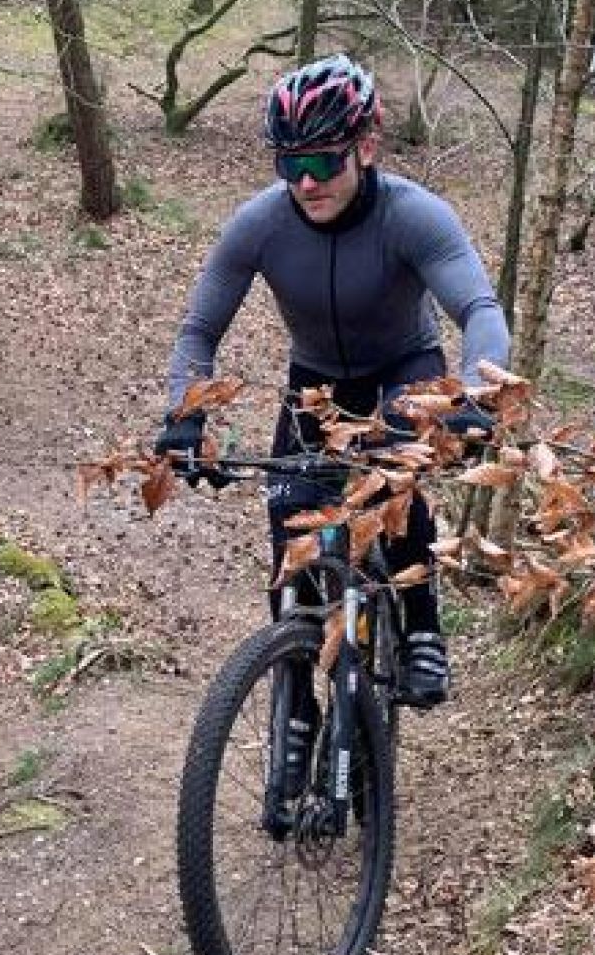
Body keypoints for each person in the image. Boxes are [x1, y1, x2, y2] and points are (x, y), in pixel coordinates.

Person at [154, 53, 510, 718]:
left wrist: (475, 399)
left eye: (324, 162)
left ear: (367, 147)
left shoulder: (415, 216)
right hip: (314, 385)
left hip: (405, 369)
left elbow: (481, 312)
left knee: (397, 485)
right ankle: (295, 701)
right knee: (289, 530)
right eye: (290, 165)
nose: (307, 182)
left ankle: (423, 626)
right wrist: (185, 412)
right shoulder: (259, 224)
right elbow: (199, 330)